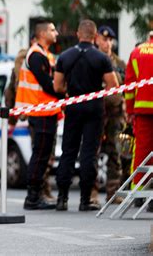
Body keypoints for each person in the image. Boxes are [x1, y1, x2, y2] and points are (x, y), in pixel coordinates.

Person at [53, 20, 118, 211]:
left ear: (77, 34)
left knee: (68, 151)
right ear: (95, 36)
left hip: (73, 105)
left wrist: (70, 90)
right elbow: (113, 85)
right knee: (89, 153)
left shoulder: (65, 56)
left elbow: (57, 86)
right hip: (94, 108)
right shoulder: (101, 58)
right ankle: (85, 199)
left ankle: (62, 198)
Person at [14, 19, 64, 210]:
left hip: (46, 111)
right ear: (42, 34)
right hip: (40, 111)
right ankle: (33, 197)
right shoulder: (36, 55)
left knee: (43, 155)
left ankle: (36, 195)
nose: (56, 33)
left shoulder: (45, 55)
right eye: (52, 30)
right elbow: (48, 84)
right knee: (40, 155)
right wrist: (65, 94)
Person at [94, 25, 126, 204]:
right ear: (97, 39)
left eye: (110, 40)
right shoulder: (92, 59)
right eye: (104, 39)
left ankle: (113, 193)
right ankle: (92, 192)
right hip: (97, 114)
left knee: (116, 154)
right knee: (93, 154)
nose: (107, 43)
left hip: (115, 116)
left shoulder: (119, 64)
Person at [125, 31, 153, 211]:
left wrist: (129, 110)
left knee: (141, 150)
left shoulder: (137, 52)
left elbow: (129, 84)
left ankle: (138, 193)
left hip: (142, 110)